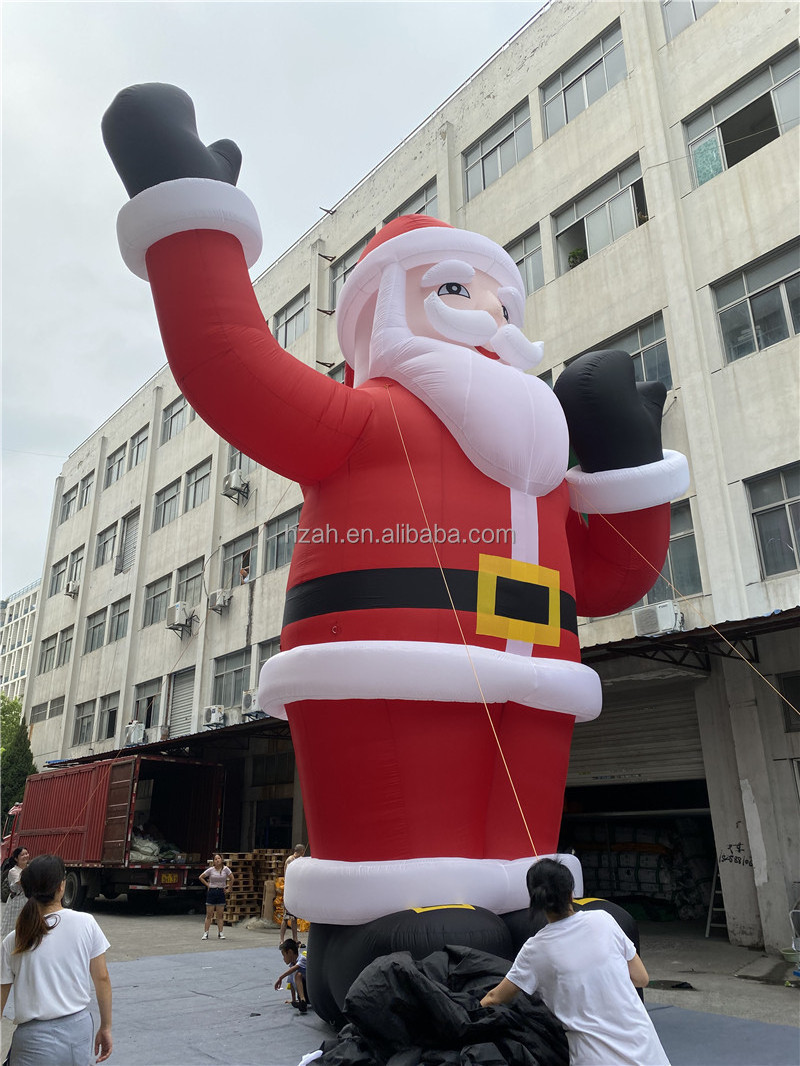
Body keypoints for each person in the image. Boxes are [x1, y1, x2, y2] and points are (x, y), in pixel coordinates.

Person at [480, 859, 669, 1065]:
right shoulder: (604, 920)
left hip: (595, 1059)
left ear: (536, 901)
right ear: (571, 893)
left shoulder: (535, 949)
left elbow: (494, 998)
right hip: (647, 1051)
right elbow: (641, 979)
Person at [0, 853, 113, 1065]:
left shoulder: (14, 939)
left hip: (33, 1041)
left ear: (26, 890)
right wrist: (106, 1027)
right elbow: (102, 979)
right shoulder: (86, 923)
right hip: (79, 1031)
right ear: (62, 887)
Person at [199, 853, 233, 940]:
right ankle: (206, 933)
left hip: (221, 892)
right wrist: (208, 885)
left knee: (220, 915)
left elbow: (232, 878)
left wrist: (229, 889)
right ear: (213, 861)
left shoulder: (226, 869)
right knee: (209, 914)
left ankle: (220, 933)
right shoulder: (211, 870)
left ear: (222, 860)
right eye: (215, 859)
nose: (217, 860)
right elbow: (201, 877)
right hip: (212, 892)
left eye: (219, 858)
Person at [1, 848, 30, 939]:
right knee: (14, 927)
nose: (26, 856)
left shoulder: (30, 869)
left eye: (26, 853)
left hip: (28, 901)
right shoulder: (13, 871)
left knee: (27, 926)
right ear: (16, 858)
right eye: (22, 855)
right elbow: (21, 882)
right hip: (17, 902)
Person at [280, 845, 306, 946]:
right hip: (289, 891)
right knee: (286, 917)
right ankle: (281, 940)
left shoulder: (297, 860)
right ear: (302, 851)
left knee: (294, 917)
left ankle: (295, 939)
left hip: (294, 891)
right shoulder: (291, 860)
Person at [274, 938, 308, 1014]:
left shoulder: (302, 959)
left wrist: (280, 978)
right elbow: (292, 984)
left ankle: (303, 1000)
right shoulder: (292, 965)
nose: (283, 959)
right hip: (303, 993)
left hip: (310, 990)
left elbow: (293, 969)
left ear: (290, 952)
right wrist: (293, 1000)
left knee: (298, 975)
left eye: (284, 955)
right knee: (294, 976)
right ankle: (301, 1001)